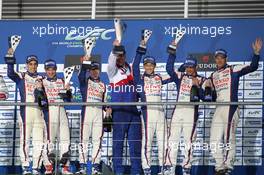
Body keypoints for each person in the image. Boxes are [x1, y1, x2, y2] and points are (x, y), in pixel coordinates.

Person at [206, 38, 262, 175]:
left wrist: (256, 54)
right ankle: (219, 167)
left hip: (231, 107)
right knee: (213, 139)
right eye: (217, 58)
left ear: (226, 58)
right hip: (218, 108)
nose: (219, 60)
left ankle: (228, 168)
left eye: (222, 58)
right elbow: (211, 98)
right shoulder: (213, 75)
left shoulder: (233, 69)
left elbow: (252, 67)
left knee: (228, 138)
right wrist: (207, 88)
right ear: (215, 59)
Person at [165, 41, 206, 175]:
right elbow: (169, 69)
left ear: (196, 67)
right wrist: (173, 50)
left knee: (188, 141)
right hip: (178, 110)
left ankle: (186, 168)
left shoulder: (202, 79)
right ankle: (169, 168)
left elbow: (205, 97)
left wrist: (197, 86)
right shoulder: (180, 77)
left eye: (191, 67)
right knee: (172, 140)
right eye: (187, 67)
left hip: (191, 112)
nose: (189, 69)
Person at [132, 40, 172, 175]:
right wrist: (141, 47)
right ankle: (147, 169)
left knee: (163, 141)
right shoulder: (139, 79)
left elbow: (173, 74)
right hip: (146, 113)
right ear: (145, 66)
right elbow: (135, 66)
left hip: (160, 112)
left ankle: (163, 168)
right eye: (147, 65)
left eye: (151, 65)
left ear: (154, 66)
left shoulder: (160, 77)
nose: (149, 67)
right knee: (147, 143)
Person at [5, 48, 45, 175]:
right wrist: (10, 58)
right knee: (25, 140)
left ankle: (36, 167)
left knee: (39, 141)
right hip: (26, 112)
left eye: (34, 64)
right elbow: (10, 73)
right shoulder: (22, 76)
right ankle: (26, 167)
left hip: (39, 112)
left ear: (37, 65)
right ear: (27, 65)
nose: (32, 66)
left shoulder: (42, 79)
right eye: (30, 64)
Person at [107, 40, 142, 175]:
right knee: (118, 145)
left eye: (122, 55)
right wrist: (115, 49)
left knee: (135, 145)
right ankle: (119, 172)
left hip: (133, 111)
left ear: (125, 56)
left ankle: (136, 171)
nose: (120, 58)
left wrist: (142, 44)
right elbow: (110, 61)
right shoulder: (112, 71)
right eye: (118, 55)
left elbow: (137, 62)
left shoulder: (130, 68)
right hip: (120, 111)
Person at [35, 59, 72, 175]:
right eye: (48, 69)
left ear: (56, 69)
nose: (50, 72)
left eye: (53, 69)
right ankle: (48, 168)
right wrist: (40, 89)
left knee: (66, 139)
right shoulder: (41, 81)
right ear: (45, 70)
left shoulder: (62, 80)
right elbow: (38, 99)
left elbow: (68, 100)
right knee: (50, 141)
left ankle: (65, 168)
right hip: (49, 111)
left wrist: (68, 91)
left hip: (61, 110)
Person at [76, 56, 111, 175]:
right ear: (89, 71)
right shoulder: (85, 82)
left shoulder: (103, 85)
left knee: (97, 140)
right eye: (92, 70)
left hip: (98, 114)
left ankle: (96, 167)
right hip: (87, 113)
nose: (95, 72)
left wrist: (108, 109)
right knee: (84, 140)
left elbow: (105, 102)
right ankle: (82, 166)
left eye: (96, 69)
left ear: (99, 71)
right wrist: (84, 64)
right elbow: (81, 76)